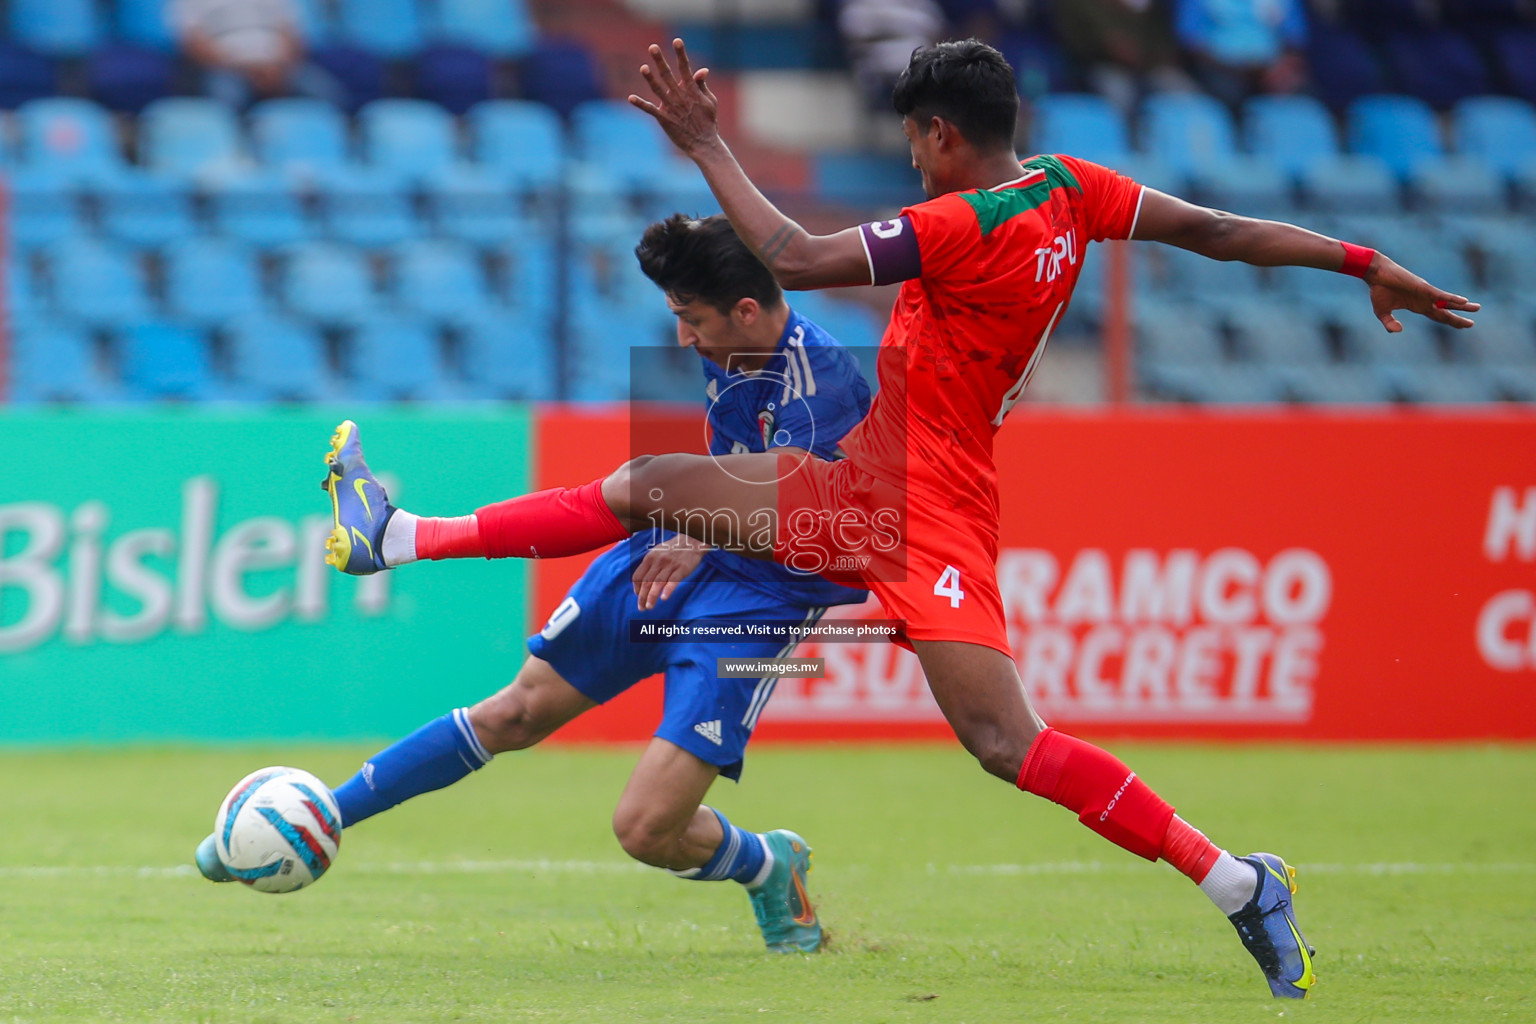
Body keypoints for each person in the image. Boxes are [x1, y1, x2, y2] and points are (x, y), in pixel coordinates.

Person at [307, 39, 1479, 998]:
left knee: (1004, 742)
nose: (911, 163)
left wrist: (706, 141)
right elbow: (1221, 232)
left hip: (918, 504)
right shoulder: (1081, 190)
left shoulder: (962, 224)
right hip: (880, 488)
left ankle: (1239, 882)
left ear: (941, 137)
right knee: (648, 487)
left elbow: (794, 254)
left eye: (913, 143)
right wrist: (1363, 257)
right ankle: (396, 533)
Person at [195, 214, 874, 955]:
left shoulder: (828, 393)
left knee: (645, 829)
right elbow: (735, 463)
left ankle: (770, 864)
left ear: (746, 311)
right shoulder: (735, 338)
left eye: (691, 320)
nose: (683, 339)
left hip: (757, 600)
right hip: (677, 549)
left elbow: (812, 515)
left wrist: (702, 528)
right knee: (514, 713)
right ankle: (311, 818)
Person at [170, 0, 344, 110]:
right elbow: (194, 44)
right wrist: (245, 68)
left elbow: (292, 35)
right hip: (226, 68)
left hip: (279, 66)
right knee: (227, 96)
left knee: (325, 93)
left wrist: (278, 67)